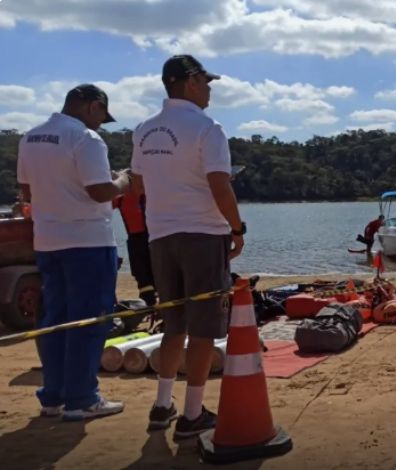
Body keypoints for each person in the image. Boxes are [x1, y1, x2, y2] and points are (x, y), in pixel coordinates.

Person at [131, 55, 245, 439]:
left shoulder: (144, 131)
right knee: (202, 328)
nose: (210, 89)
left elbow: (139, 184)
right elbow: (219, 183)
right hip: (201, 233)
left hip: (161, 236)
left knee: (174, 322)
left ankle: (162, 405)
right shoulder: (207, 128)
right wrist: (237, 226)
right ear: (191, 82)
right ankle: (193, 414)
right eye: (207, 82)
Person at [16, 84, 131, 420]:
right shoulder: (86, 139)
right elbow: (100, 192)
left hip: (48, 240)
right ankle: (81, 398)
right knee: (89, 320)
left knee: (55, 319)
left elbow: (27, 190)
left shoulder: (31, 137)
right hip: (88, 240)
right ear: (92, 106)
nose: (99, 125)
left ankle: (52, 396)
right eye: (100, 116)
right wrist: (124, 180)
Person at [113, 190, 156, 306]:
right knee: (140, 275)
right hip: (134, 240)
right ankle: (149, 303)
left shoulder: (148, 191)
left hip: (152, 237)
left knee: (157, 274)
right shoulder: (120, 197)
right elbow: (102, 208)